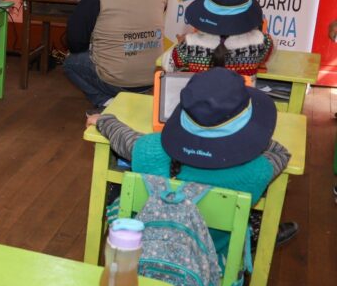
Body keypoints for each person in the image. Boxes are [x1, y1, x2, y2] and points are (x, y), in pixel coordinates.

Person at [87, 67, 298, 246]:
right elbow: (281, 153)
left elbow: (125, 138)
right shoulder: (256, 172)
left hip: (146, 250)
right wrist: (253, 137)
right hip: (213, 264)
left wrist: (105, 120)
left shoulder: (150, 150)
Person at [64, 0, 167, 112]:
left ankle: (105, 101)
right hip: (153, 76)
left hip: (116, 79)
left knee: (71, 63)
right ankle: (133, 98)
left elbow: (75, 41)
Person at [166, 0, 273, 75]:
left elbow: (168, 66)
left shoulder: (190, 44)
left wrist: (181, 43)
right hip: (243, 89)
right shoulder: (261, 42)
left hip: (203, 89)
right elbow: (270, 49)